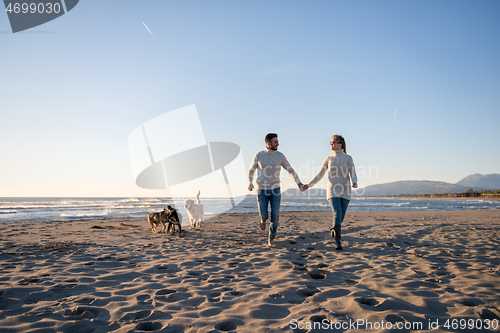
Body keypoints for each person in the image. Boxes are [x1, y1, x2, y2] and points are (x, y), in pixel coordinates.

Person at [248, 133, 306, 246]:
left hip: (275, 190)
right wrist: (250, 182)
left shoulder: (280, 156)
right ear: (268, 143)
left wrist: (298, 182)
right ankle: (262, 220)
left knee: (275, 216)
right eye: (275, 142)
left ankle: (271, 238)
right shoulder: (258, 155)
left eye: (277, 141)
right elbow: (251, 170)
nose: (278, 143)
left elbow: (290, 170)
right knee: (264, 215)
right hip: (261, 190)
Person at [305, 134, 357, 250]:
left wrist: (354, 181)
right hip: (332, 190)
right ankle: (338, 241)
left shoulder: (348, 158)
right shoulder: (329, 159)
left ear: (341, 144)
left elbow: (353, 172)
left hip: (345, 190)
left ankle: (334, 229)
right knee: (337, 213)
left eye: (333, 142)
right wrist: (309, 185)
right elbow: (320, 174)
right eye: (331, 142)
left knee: (341, 217)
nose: (331, 144)